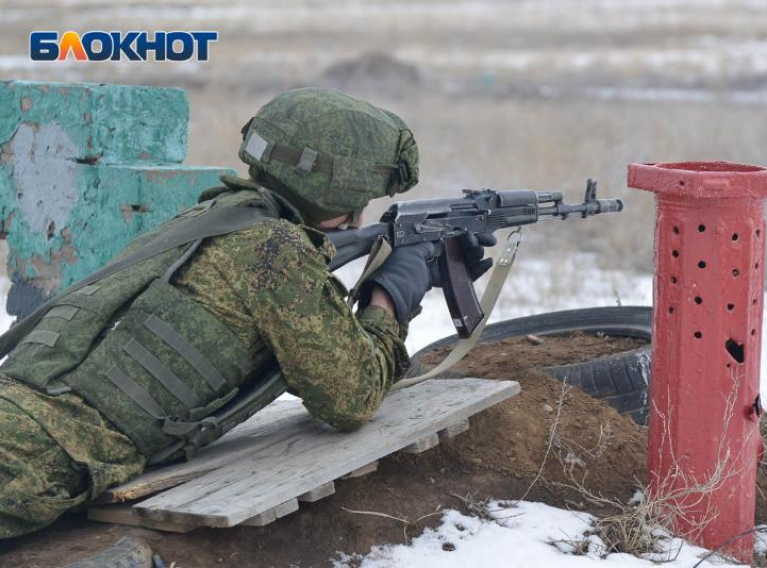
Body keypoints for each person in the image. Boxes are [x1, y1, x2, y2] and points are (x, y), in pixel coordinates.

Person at [0, 88, 494, 538]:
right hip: (35, 458)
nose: (362, 212)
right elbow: (351, 398)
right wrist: (391, 295)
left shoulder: (211, 217)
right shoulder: (274, 249)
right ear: (338, 190)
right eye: (361, 198)